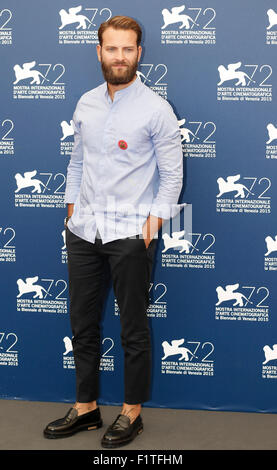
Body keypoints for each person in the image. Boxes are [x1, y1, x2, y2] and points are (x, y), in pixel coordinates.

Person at [44, 15, 183, 448]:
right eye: (111, 48)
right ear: (99, 51)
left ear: (139, 53)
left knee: (133, 328)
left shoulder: (157, 109)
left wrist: (153, 223)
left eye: (128, 49)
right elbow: (77, 161)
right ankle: (85, 409)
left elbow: (173, 175)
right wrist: (71, 209)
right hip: (84, 230)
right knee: (83, 323)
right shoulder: (85, 103)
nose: (119, 57)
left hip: (130, 233)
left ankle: (132, 412)